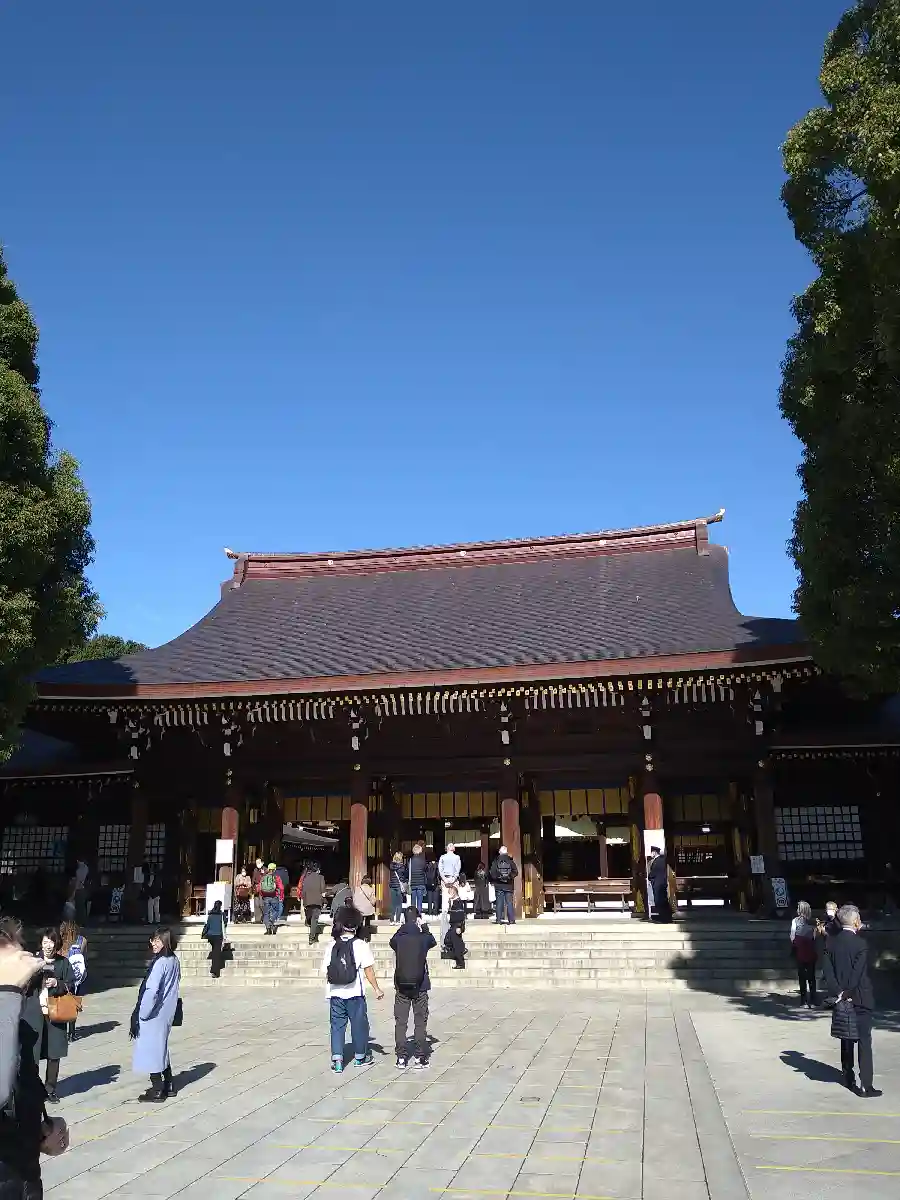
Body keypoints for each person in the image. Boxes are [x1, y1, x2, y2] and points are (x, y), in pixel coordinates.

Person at [0, 916, 70, 1198]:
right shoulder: (7, 1007)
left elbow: (20, 1089)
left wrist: (40, 1129)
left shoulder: (17, 1021)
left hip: (24, 1178)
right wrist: (8, 992)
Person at [823, 903, 880, 1097]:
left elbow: (828, 972)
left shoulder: (830, 942)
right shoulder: (861, 944)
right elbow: (857, 973)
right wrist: (848, 992)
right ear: (856, 921)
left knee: (846, 1037)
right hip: (860, 997)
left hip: (841, 998)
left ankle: (848, 1076)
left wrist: (839, 992)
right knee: (864, 1039)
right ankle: (866, 1084)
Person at [321, 905, 384, 1073]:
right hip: (355, 993)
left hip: (335, 993)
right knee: (359, 1025)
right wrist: (377, 989)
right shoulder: (361, 945)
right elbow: (368, 970)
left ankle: (337, 1060)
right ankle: (360, 1057)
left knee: (337, 1026)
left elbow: (325, 970)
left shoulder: (331, 945)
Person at [23, 930, 75, 1105]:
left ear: (56, 944)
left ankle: (50, 1089)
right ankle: (32, 1088)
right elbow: (23, 984)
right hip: (34, 1011)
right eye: (45, 942)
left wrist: (57, 983)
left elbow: (71, 984)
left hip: (56, 1012)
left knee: (54, 1052)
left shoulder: (63, 962)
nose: (48, 946)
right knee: (32, 1051)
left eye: (51, 942)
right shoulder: (33, 961)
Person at [131, 928, 181, 1102]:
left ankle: (157, 1089)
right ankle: (169, 1084)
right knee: (161, 1048)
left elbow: (152, 991)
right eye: (153, 940)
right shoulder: (174, 960)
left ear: (166, 942)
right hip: (167, 1011)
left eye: (158, 940)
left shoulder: (160, 963)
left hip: (155, 1013)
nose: (154, 943)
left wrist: (142, 1013)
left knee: (152, 1050)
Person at [390, 907, 436, 1069]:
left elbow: (392, 941)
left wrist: (403, 927)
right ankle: (419, 1056)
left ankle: (401, 1057)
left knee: (401, 1022)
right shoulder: (423, 938)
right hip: (421, 985)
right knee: (420, 1021)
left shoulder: (399, 939)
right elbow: (433, 941)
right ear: (417, 919)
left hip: (401, 985)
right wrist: (423, 926)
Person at [59, 923, 87, 1043]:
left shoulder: (60, 941)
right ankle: (72, 1032)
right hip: (77, 975)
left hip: (64, 975)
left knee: (63, 1002)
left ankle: (63, 1031)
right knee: (74, 1002)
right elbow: (84, 957)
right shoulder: (82, 940)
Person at [790, 900, 817, 1008]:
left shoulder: (795, 921)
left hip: (799, 950)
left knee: (802, 976)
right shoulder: (813, 922)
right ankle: (813, 1000)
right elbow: (814, 937)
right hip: (810, 949)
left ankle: (803, 1001)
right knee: (811, 976)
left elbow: (792, 936)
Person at [490, 847, 518, 925]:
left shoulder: (496, 861)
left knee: (499, 903)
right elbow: (515, 872)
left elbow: (492, 873)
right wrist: (508, 877)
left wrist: (499, 877)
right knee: (509, 903)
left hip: (499, 885)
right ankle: (511, 920)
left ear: (500, 852)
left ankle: (499, 920)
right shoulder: (510, 861)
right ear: (506, 852)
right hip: (508, 885)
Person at [442, 886, 468, 969]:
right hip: (453, 925)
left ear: (454, 893)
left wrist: (459, 927)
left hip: (457, 925)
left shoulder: (458, 902)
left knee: (456, 944)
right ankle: (462, 948)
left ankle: (460, 963)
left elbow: (461, 915)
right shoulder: (453, 902)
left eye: (449, 893)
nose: (448, 895)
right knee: (448, 940)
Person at [301, 862, 326, 945]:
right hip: (317, 901)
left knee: (310, 917)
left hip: (308, 901)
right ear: (318, 870)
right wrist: (324, 901)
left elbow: (303, 892)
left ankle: (308, 921)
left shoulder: (306, 878)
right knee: (314, 919)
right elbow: (323, 891)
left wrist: (304, 902)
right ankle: (311, 938)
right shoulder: (321, 878)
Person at [202, 900, 227, 979]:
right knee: (217, 953)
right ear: (220, 906)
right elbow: (225, 924)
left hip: (210, 936)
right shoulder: (222, 914)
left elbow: (207, 925)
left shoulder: (210, 914)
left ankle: (214, 968)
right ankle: (215, 971)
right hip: (218, 935)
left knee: (215, 950)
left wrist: (204, 933)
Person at [648, 846, 672, 923]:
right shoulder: (662, 860)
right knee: (663, 900)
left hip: (658, 884)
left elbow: (653, 872)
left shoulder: (657, 861)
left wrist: (649, 877)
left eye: (651, 852)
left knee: (659, 901)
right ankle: (667, 917)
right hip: (662, 883)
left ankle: (663, 918)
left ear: (654, 852)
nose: (651, 854)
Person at [259, 863, 283, 935]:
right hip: (274, 896)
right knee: (276, 910)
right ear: (274, 869)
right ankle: (271, 921)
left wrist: (262, 895)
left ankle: (268, 929)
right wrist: (281, 896)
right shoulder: (276, 877)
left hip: (265, 897)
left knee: (266, 913)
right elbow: (281, 888)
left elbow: (260, 888)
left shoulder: (263, 877)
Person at [352, 877, 377, 943]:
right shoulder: (371, 889)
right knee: (367, 924)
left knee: (359, 923)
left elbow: (354, 900)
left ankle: (358, 936)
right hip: (368, 909)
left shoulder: (357, 889)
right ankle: (367, 937)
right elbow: (373, 901)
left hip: (358, 909)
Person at [438, 843, 461, 912]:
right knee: (454, 896)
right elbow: (458, 869)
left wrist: (444, 879)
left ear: (446, 849)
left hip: (445, 878)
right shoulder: (457, 857)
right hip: (453, 879)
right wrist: (454, 878)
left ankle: (445, 912)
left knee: (445, 897)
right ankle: (454, 911)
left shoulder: (442, 857)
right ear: (454, 849)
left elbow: (440, 869)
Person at [407, 844, 428, 915]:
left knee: (413, 901)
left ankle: (413, 915)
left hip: (413, 883)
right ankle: (419, 915)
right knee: (419, 901)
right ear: (420, 851)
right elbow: (425, 869)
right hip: (421, 883)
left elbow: (408, 871)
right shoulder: (422, 860)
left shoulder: (410, 860)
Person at [388, 853, 407, 924]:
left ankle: (391, 920)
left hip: (392, 886)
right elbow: (403, 877)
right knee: (399, 904)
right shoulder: (402, 867)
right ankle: (397, 920)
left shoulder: (391, 866)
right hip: (399, 886)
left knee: (393, 903)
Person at [251, 859, 265, 923]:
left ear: (262, 863)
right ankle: (257, 919)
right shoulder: (255, 870)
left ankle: (264, 917)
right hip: (256, 888)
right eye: (257, 863)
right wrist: (252, 888)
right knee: (256, 904)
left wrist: (263, 873)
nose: (258, 864)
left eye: (259, 863)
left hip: (262, 888)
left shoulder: (265, 869)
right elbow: (253, 879)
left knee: (261, 904)